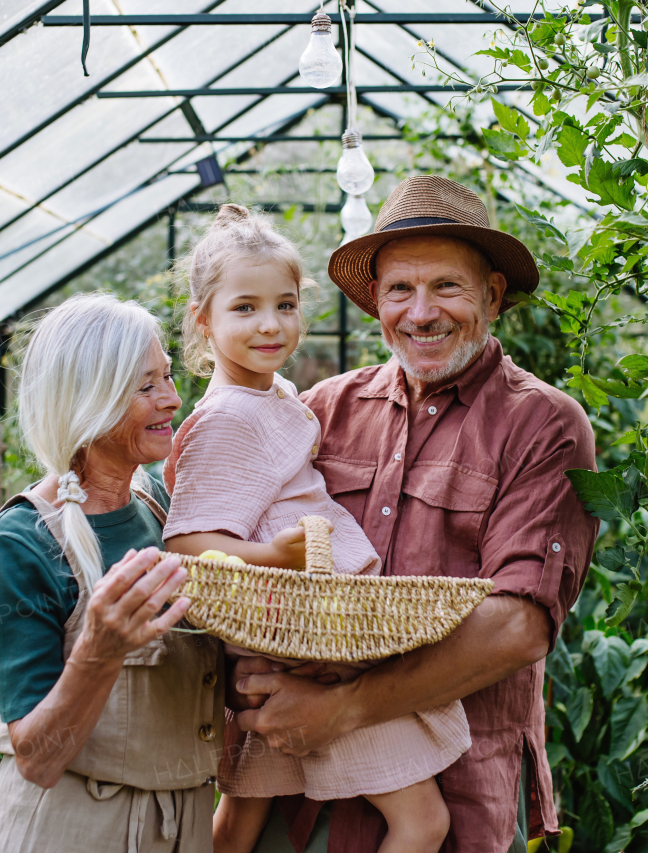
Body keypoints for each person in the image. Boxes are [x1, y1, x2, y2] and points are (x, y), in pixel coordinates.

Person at [231, 176, 601, 852]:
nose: (421, 312)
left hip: (453, 794)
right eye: (400, 289)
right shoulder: (320, 410)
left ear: (492, 294)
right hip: (308, 789)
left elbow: (517, 625)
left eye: (447, 288)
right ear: (375, 298)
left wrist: (340, 709)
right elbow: (238, 530)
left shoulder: (544, 424)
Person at [161, 204, 469, 853]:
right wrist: (273, 552)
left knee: (242, 817)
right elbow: (187, 545)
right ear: (203, 320)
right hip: (312, 643)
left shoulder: (272, 400)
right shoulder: (227, 420)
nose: (271, 324)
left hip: (300, 635)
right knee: (423, 822)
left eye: (287, 304)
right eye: (245, 308)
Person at [0, 293, 220, 853]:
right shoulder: (20, 545)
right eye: (146, 386)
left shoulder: (159, 507)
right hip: (73, 830)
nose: (173, 400)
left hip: (183, 824)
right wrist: (99, 650)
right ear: (89, 399)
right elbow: (38, 757)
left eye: (168, 378)